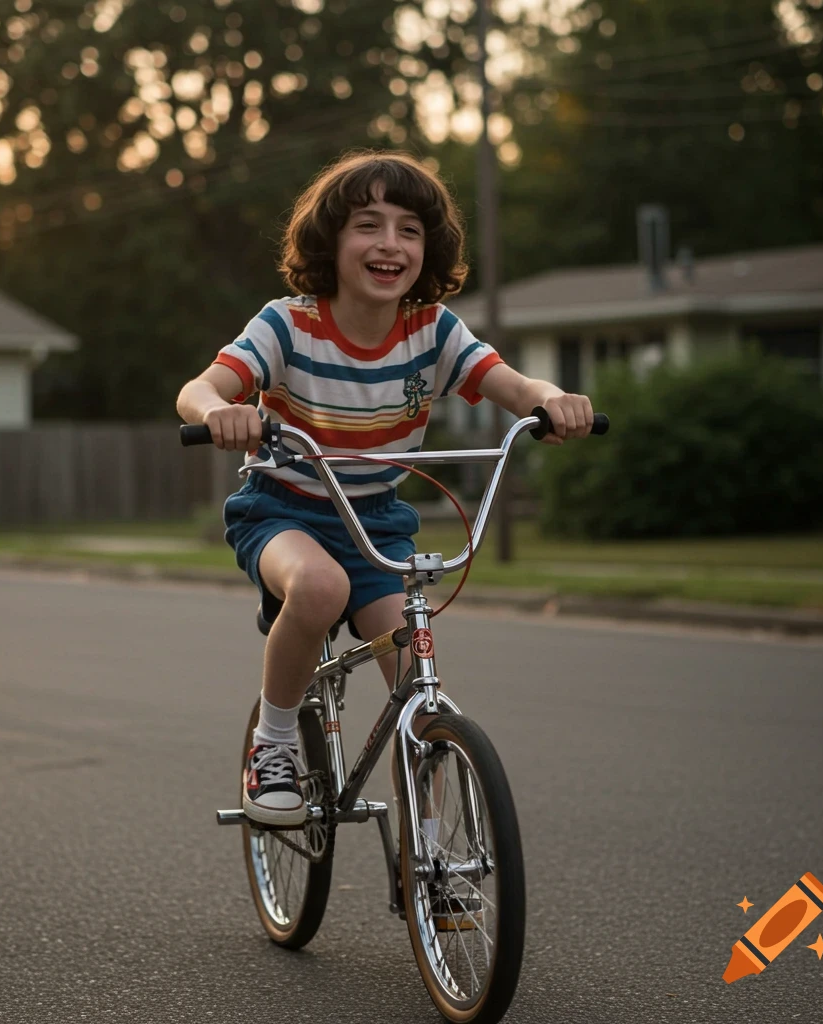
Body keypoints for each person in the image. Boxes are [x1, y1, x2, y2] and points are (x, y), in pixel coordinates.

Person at [176, 150, 594, 827]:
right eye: (368, 225)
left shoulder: (432, 332)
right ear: (332, 241)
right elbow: (198, 389)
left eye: (409, 229)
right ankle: (274, 746)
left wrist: (555, 401)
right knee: (319, 589)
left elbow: (518, 387)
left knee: (416, 689)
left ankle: (430, 852)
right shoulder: (288, 324)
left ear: (427, 250)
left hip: (377, 523)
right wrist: (219, 411)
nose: (389, 244)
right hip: (282, 510)